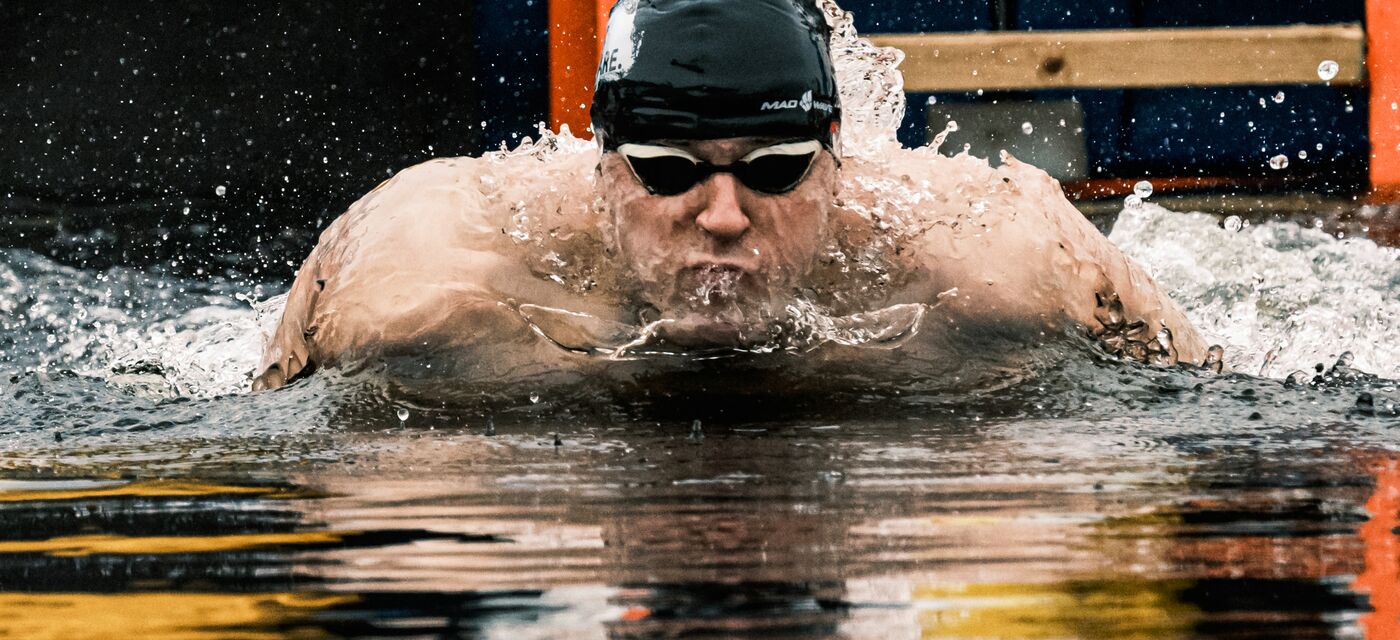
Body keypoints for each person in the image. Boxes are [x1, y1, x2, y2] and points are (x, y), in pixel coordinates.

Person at [252, 0, 1209, 392]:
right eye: (668, 171)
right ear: (602, 169)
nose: (720, 215)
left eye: (775, 168)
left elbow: (1201, 388)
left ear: (838, 161)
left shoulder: (998, 262)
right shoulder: (424, 283)